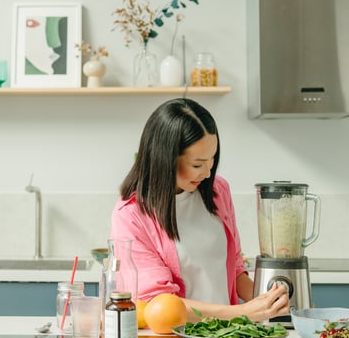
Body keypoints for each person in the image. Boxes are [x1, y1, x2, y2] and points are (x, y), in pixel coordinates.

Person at [110, 98, 290, 322]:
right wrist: (243, 313)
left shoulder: (217, 191)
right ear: (165, 159)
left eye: (212, 160)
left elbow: (234, 268)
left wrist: (273, 302)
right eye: (197, 164)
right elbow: (160, 303)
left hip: (229, 336)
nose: (207, 172)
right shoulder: (131, 215)